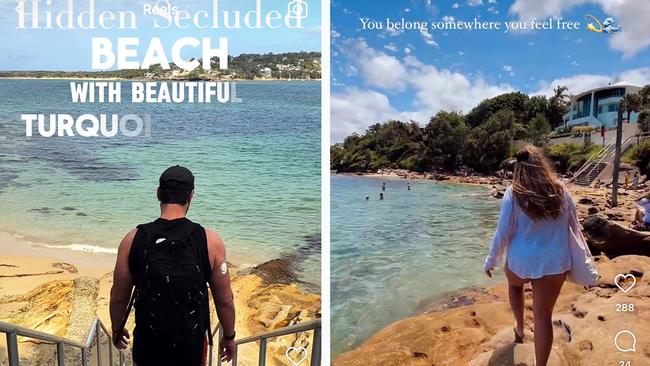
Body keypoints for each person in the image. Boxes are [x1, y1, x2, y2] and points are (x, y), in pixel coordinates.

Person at [110, 166, 236, 366]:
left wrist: (117, 328)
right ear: (191, 196)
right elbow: (225, 301)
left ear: (158, 194)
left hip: (148, 344)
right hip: (191, 346)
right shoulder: (210, 241)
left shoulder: (133, 239)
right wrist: (229, 337)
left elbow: (118, 298)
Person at [483, 146, 577, 366]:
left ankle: (520, 327)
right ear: (542, 165)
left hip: (522, 262)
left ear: (518, 168)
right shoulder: (561, 190)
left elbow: (503, 231)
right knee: (543, 317)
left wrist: (491, 260)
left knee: (515, 286)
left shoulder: (513, 192)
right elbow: (573, 226)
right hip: (555, 262)